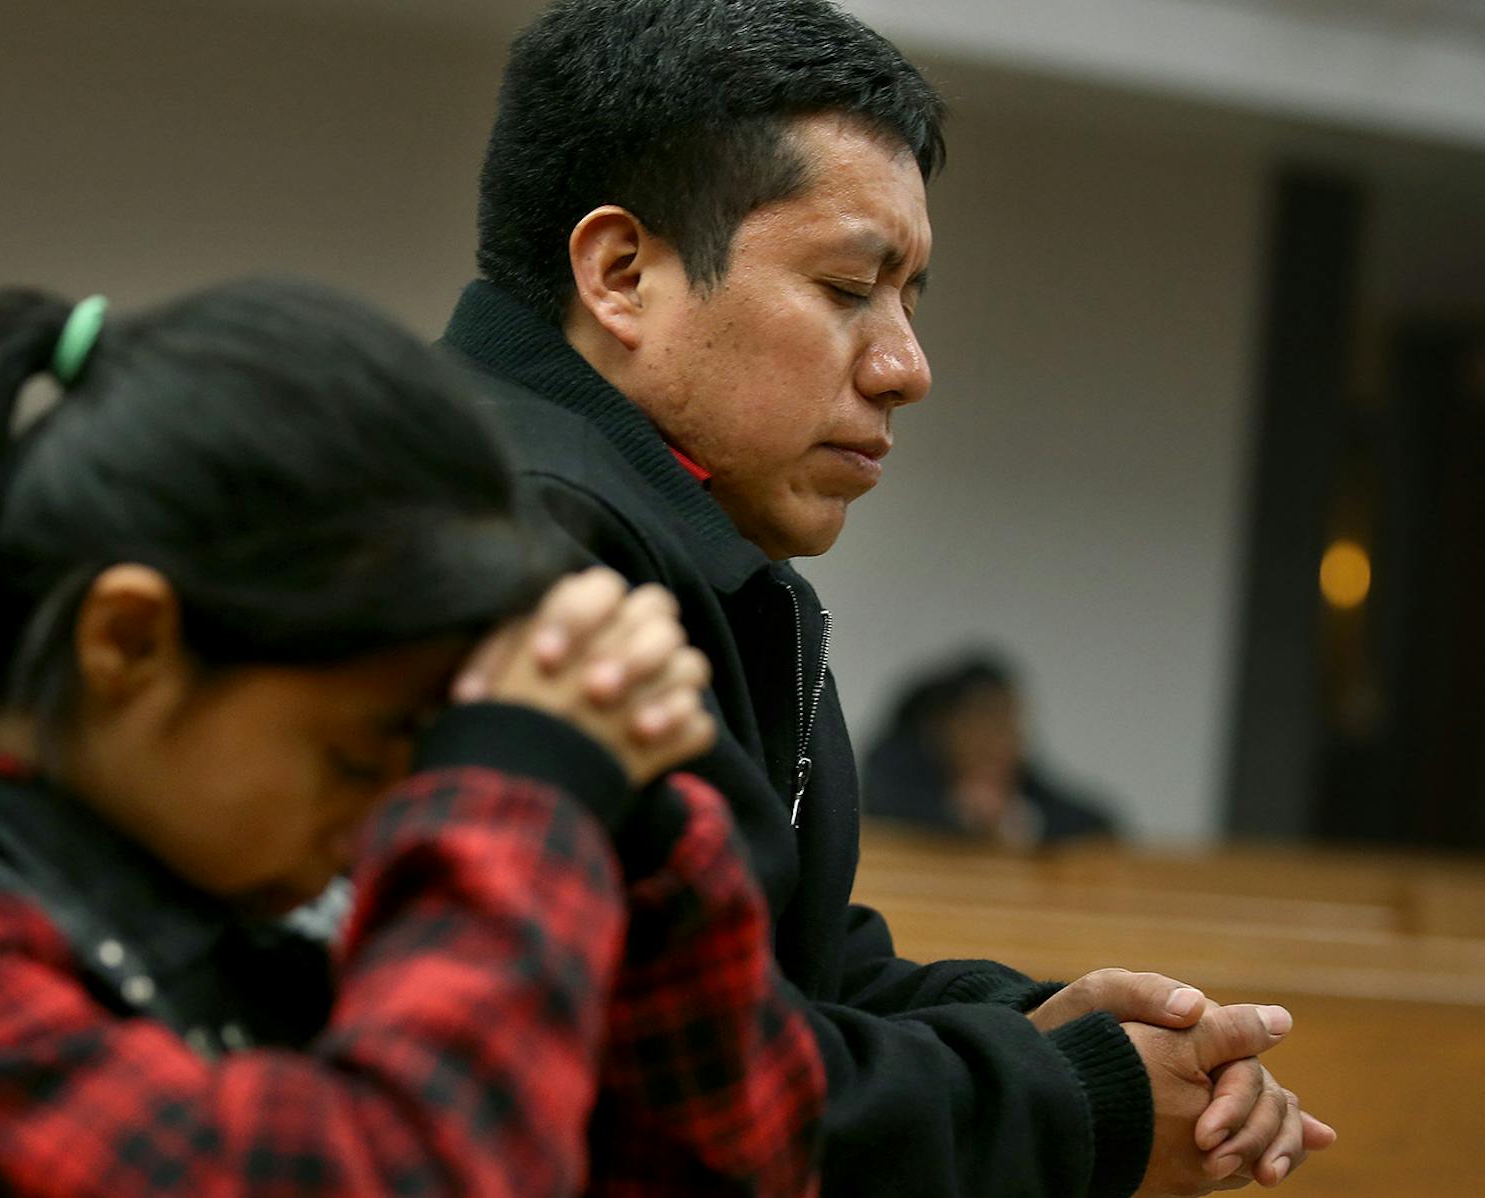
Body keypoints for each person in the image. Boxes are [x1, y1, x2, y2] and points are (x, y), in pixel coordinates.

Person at [0, 281, 826, 1197]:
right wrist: (521, 793)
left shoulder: (223, 878)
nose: (378, 827)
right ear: (129, 640)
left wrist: (639, 826)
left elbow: (739, 1162)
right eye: (359, 755)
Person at [441, 1, 1335, 1194]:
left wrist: (1038, 1026)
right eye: (849, 285)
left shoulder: (640, 516)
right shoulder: (530, 536)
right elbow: (668, 1091)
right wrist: (1076, 1099)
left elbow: (779, 959)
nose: (906, 367)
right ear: (621, 272)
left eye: (911, 296)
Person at [863, 652, 1121, 847]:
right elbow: (881, 808)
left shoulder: (1022, 778)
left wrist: (1019, 819)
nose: (997, 742)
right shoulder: (897, 762)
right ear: (943, 728)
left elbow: (1098, 823)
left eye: (1007, 724)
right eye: (982, 723)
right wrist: (961, 815)